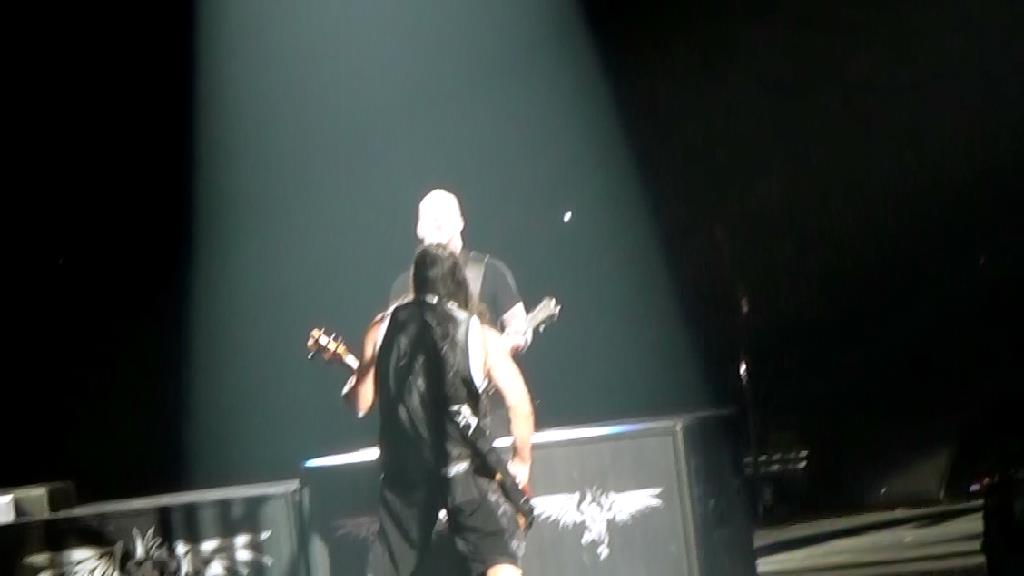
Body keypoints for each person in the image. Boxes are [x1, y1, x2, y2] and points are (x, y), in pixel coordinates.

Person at [345, 244, 535, 576]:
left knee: (390, 565)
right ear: (458, 282)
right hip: (460, 470)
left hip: (405, 475)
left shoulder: (381, 328)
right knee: (498, 556)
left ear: (415, 282)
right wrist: (522, 460)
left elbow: (361, 403)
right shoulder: (480, 334)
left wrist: (359, 378)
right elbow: (518, 402)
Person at [390, 189, 531, 438]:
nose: (437, 220)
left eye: (445, 213)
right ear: (418, 229)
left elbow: (519, 325)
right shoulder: (403, 286)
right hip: (428, 424)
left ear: (461, 222)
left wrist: (510, 342)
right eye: (429, 216)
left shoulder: (490, 271)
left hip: (489, 419)